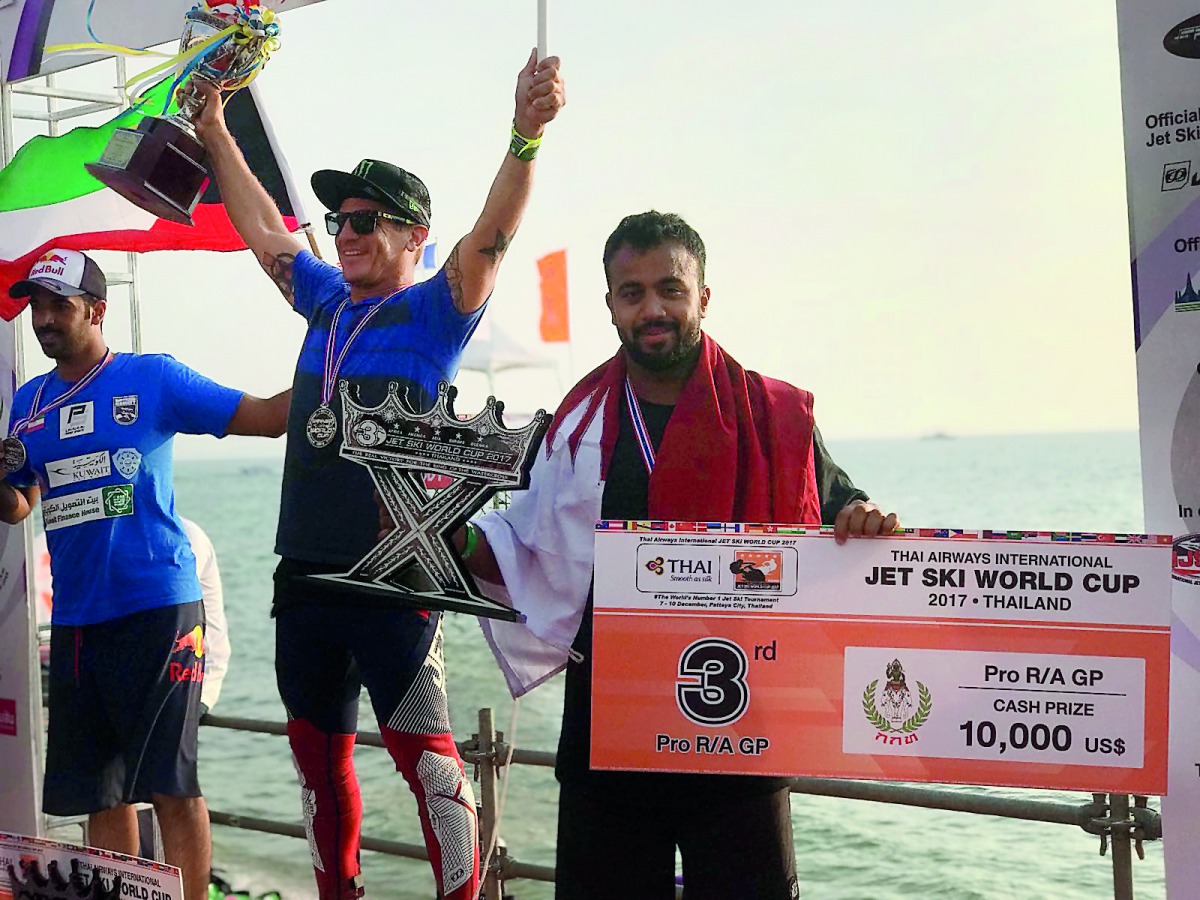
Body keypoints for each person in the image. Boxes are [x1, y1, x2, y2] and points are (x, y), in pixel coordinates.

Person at [191, 49, 566, 900]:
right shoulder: (325, 299)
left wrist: (526, 136)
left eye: (369, 220)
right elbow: (262, 233)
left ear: (413, 236)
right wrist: (214, 129)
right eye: (342, 220)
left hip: (397, 581)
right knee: (319, 774)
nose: (348, 232)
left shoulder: (438, 310)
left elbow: (496, 235)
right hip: (308, 576)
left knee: (431, 771)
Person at [459, 212, 900, 899]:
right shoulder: (574, 426)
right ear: (610, 306)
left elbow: (838, 508)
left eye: (670, 287)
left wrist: (864, 520)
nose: (653, 308)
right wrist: (434, 531)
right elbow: (522, 548)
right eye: (631, 293)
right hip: (610, 745)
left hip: (739, 743)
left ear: (702, 295)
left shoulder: (773, 415)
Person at [0, 250, 289, 900]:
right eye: (36, 305)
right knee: (102, 792)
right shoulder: (27, 403)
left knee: (169, 783)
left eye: (58, 305)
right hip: (77, 620)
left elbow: (269, 417)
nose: (43, 318)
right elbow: (20, 502)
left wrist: (339, 358)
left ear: (97, 310)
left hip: (159, 611)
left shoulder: (152, 379)